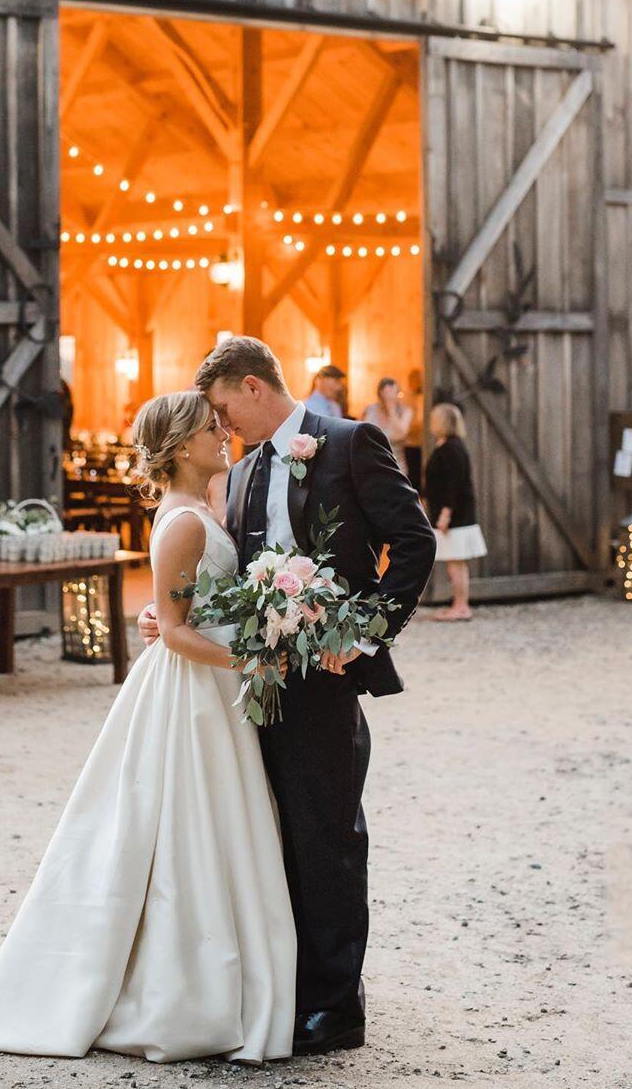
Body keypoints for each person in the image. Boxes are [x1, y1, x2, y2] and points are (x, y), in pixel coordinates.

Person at [0, 391, 295, 1065]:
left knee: (210, 829)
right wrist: (256, 659)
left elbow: (176, 613)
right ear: (179, 447)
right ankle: (177, 991)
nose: (223, 433)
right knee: (186, 831)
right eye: (211, 428)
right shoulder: (183, 524)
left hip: (211, 688)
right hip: (192, 693)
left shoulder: (204, 510)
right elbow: (171, 632)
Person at [139, 337, 436, 1056]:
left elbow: (414, 542)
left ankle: (336, 1009)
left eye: (219, 410)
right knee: (272, 840)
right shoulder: (236, 475)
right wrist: (169, 613)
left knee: (329, 838)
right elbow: (233, 578)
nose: (220, 426)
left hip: (323, 682)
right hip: (249, 686)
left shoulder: (347, 441)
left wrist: (364, 637)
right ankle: (288, 987)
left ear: (250, 386)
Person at [423, 403, 487, 621]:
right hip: (451, 513)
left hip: (455, 515)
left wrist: (445, 514)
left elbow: (454, 484)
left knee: (456, 564)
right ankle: (459, 604)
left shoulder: (451, 448)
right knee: (455, 564)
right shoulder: (448, 445)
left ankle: (461, 607)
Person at [361, 377, 413, 477]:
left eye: (392, 391)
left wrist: (391, 407)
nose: (388, 395)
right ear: (380, 392)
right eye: (386, 391)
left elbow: (401, 433)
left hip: (396, 465)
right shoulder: (371, 410)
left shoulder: (405, 411)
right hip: (372, 463)